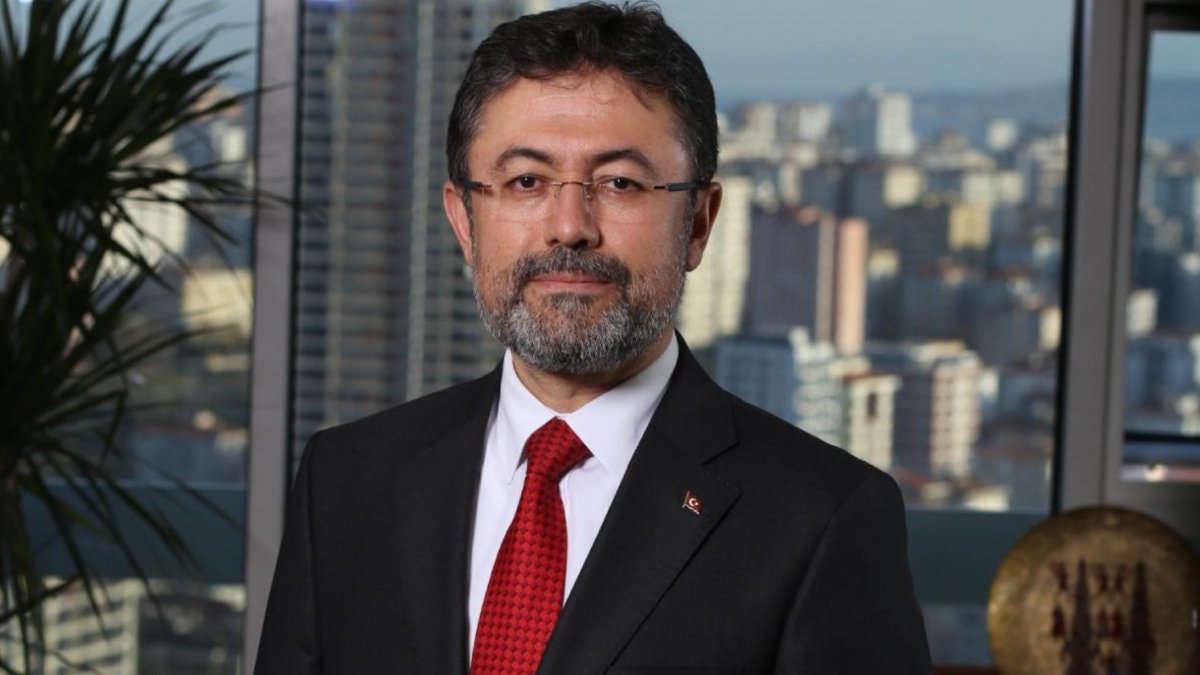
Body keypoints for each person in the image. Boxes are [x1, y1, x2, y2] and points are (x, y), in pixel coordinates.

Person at [255, 2, 932, 673]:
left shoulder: (821, 516)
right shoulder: (348, 480)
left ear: (698, 223)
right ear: (464, 220)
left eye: (620, 183)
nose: (570, 226)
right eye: (526, 181)